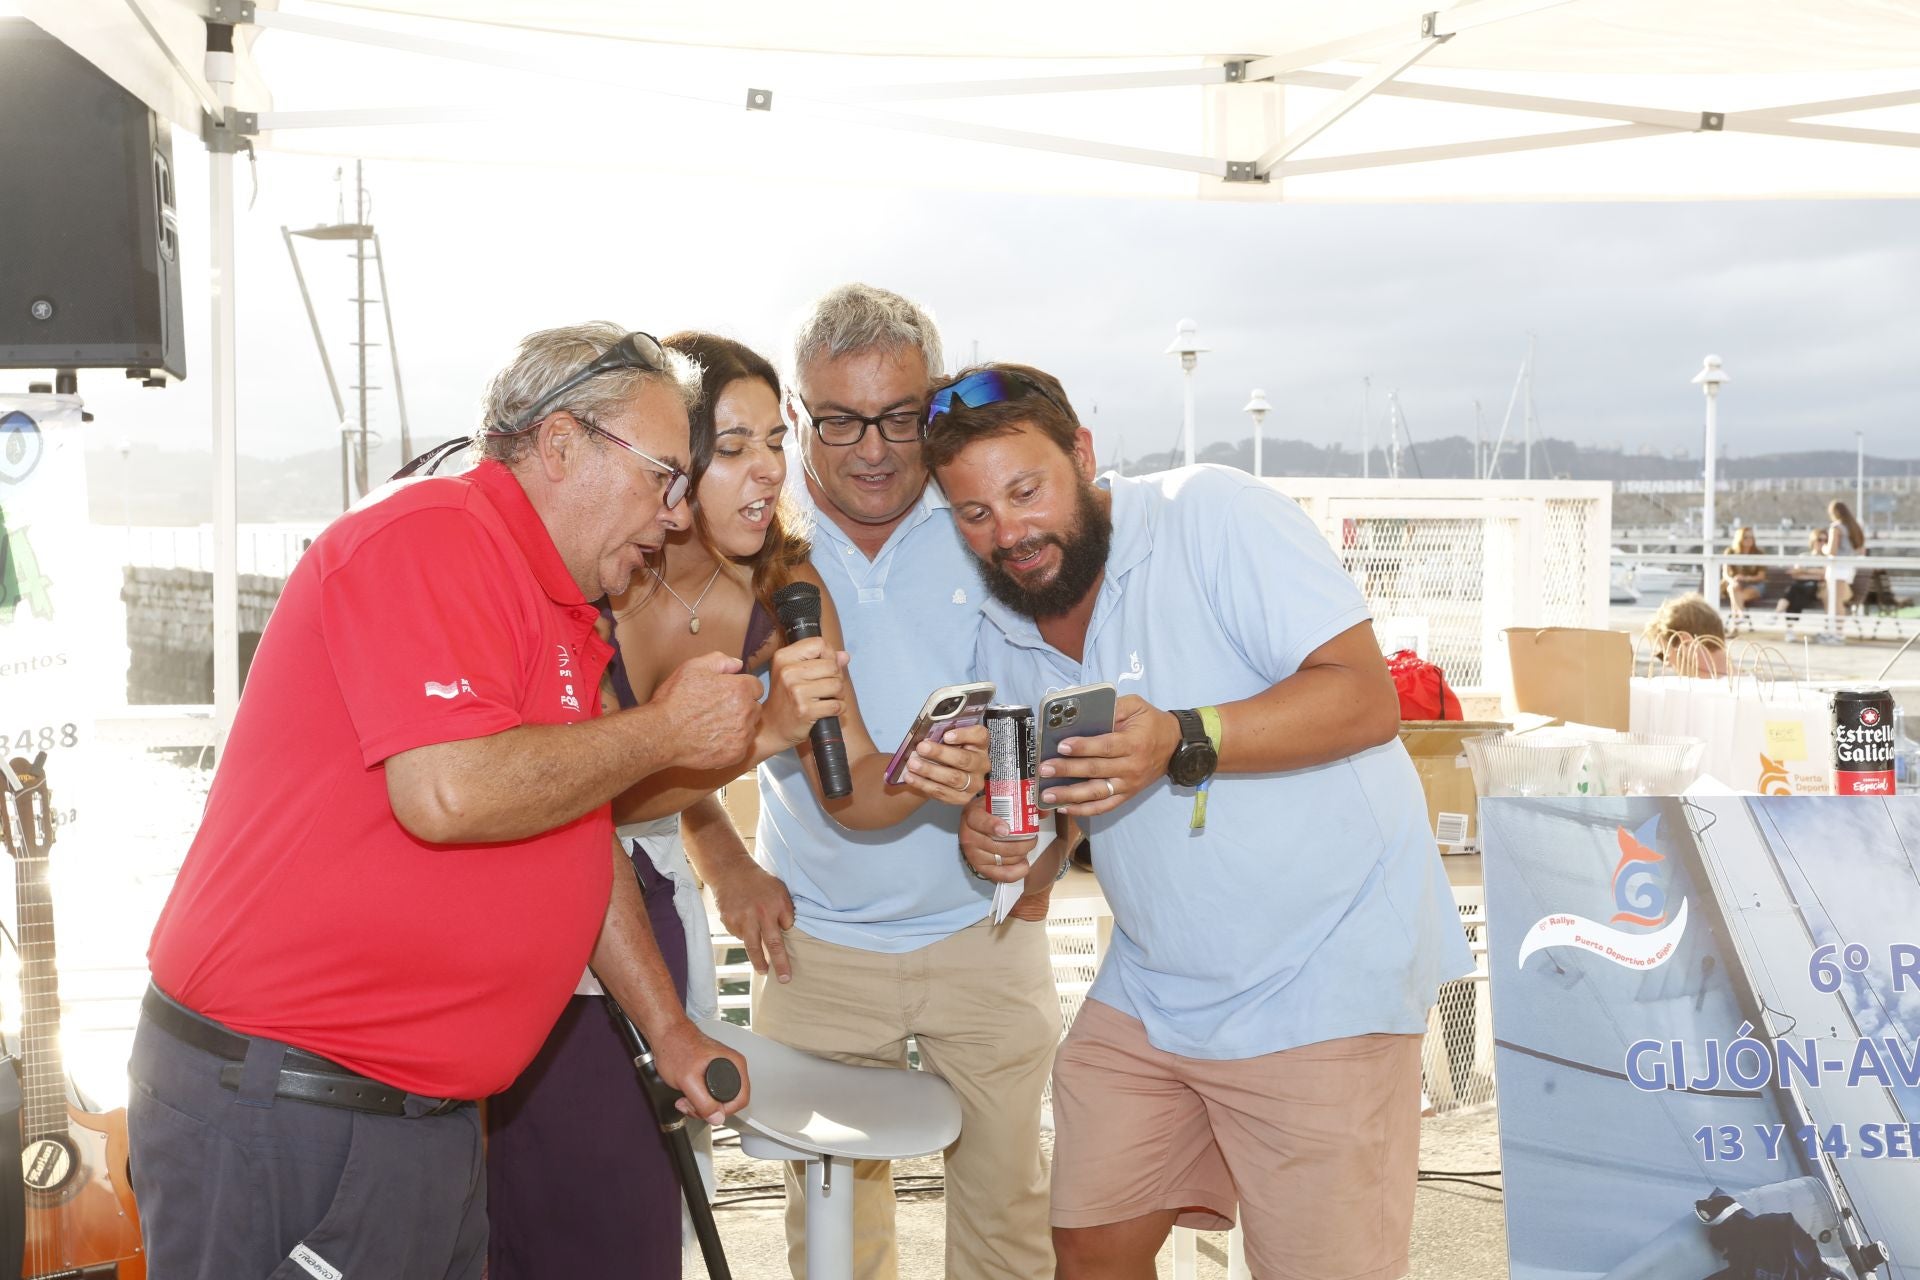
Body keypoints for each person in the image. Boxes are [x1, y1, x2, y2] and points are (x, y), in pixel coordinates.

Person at [129, 323, 764, 1280]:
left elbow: (577, 831)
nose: (676, 516)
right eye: (663, 476)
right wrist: (664, 732)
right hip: (295, 1112)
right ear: (560, 445)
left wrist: (667, 1027)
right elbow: (449, 789)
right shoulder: (433, 535)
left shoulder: (558, 606)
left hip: (414, 1121)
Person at [923, 362, 1474, 1280]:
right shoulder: (1004, 617)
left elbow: (1365, 701)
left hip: (1321, 981)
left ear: (1083, 455)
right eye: (974, 515)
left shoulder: (1214, 515)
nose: (1009, 534)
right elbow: (1058, 814)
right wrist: (1003, 843)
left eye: (1027, 491)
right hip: (1155, 985)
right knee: (1090, 1249)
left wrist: (1183, 734)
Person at [484, 331, 987, 1279]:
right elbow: (581, 779)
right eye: (730, 449)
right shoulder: (592, 570)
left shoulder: (787, 593)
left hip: (649, 921)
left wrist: (934, 775)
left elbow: (851, 792)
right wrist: (741, 785)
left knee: (639, 1208)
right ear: (672, 469)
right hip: (536, 903)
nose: (766, 471)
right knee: (511, 1202)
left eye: (773, 441)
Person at [694, 285, 1060, 1280]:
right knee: (829, 1244)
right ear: (800, 416)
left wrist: (1032, 839)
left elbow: (1051, 710)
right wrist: (724, 860)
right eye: (840, 419)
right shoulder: (752, 542)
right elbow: (655, 738)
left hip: (983, 938)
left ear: (934, 405)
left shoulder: (991, 525)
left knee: (1010, 1222)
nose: (872, 449)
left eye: (900, 416)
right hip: (813, 947)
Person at [1642, 592, 1731, 677]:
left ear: (1685, 642)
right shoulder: (1742, 685)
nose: (1667, 664)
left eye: (1664, 656)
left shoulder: (1695, 691)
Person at [1825, 499, 1868, 614]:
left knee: (1835, 601)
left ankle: (1837, 631)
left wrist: (1824, 548)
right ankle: (1836, 630)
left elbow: (1832, 551)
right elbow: (1862, 551)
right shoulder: (1855, 527)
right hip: (1849, 568)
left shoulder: (1836, 527)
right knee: (1838, 601)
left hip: (1837, 568)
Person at [1777, 527, 1828, 616]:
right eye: (1819, 540)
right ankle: (1778, 615)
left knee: (1796, 591)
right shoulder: (1804, 556)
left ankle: (1780, 617)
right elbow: (1795, 574)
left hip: (1815, 588)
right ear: (1813, 541)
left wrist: (1804, 571)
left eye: (1825, 540)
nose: (1823, 543)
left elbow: (1824, 574)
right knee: (1794, 592)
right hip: (1800, 586)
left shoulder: (1827, 558)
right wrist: (1815, 573)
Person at [1721, 525, 1766, 613]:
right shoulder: (1730, 552)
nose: (1749, 539)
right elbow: (1725, 574)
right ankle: (1741, 618)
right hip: (1734, 584)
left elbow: (1761, 577)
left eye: (1751, 537)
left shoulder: (1759, 553)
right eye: (1745, 537)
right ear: (1739, 538)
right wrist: (1733, 581)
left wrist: (1745, 578)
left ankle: (1737, 619)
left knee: (1736, 595)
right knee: (1733, 588)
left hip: (1754, 585)